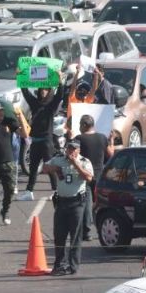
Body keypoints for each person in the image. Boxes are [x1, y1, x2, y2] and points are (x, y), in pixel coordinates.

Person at [42, 140, 93, 276]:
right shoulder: (59, 159)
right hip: (61, 202)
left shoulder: (84, 161)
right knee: (59, 235)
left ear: (78, 151)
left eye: (74, 149)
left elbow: (88, 177)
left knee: (75, 236)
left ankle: (73, 266)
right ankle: (59, 265)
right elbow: (44, 168)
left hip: (77, 202)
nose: (71, 151)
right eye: (69, 149)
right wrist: (56, 169)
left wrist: (75, 164)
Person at [18, 76, 71, 201]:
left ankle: (56, 190)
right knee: (33, 167)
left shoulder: (51, 106)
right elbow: (25, 91)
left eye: (46, 89)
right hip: (35, 141)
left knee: (50, 167)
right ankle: (29, 191)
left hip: (47, 142)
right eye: (42, 89)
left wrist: (59, 81)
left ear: (49, 91)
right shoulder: (34, 103)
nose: (43, 91)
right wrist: (19, 76)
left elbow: (60, 95)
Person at [74, 114, 114, 242]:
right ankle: (101, 227)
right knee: (100, 202)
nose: (79, 127)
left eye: (80, 124)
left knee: (86, 203)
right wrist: (111, 140)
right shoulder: (102, 138)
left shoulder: (79, 139)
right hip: (100, 175)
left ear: (84, 125)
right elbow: (111, 154)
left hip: (85, 175)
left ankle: (86, 231)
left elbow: (71, 154)